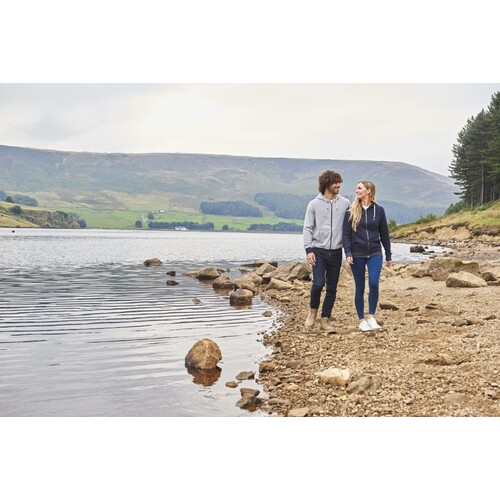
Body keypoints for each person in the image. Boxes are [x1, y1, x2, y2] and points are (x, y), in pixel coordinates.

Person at [303, 170, 351, 332]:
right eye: (334, 183)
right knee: (318, 284)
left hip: (336, 251)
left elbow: (352, 224)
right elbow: (307, 228)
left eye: (339, 182)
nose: (338, 185)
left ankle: (325, 320)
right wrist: (308, 249)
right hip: (318, 251)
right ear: (326, 184)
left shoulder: (345, 203)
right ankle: (312, 313)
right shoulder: (314, 204)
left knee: (332, 287)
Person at [342, 180, 392, 332]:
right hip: (357, 254)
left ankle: (371, 316)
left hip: (375, 252)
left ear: (368, 190)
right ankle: (361, 320)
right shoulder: (350, 212)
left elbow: (385, 234)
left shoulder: (379, 210)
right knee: (360, 286)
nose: (356, 190)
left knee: (374, 283)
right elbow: (346, 235)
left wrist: (388, 255)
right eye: (356, 188)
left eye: (359, 188)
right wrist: (348, 253)